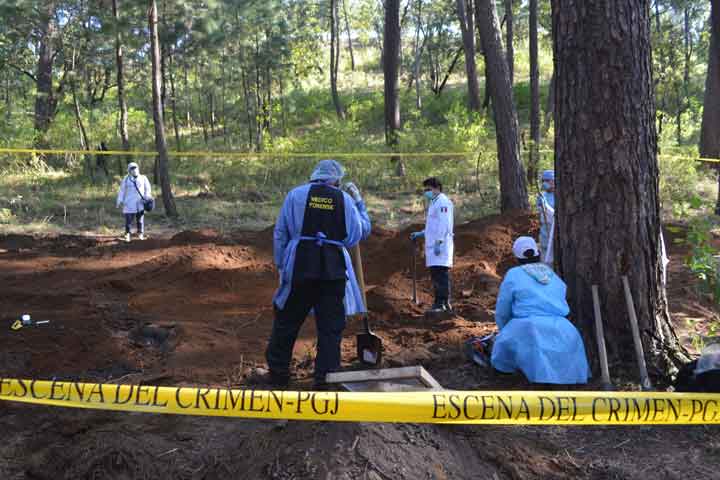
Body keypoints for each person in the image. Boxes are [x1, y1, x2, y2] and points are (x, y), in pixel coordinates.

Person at [260, 159, 371, 389]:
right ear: (336, 180)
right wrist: (360, 203)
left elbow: (280, 232)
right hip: (333, 270)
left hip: (300, 266)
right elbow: (356, 234)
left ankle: (278, 375)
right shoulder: (344, 199)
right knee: (330, 327)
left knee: (287, 320)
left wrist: (281, 264)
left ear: (314, 176)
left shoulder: (295, 195)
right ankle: (325, 380)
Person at [491, 236, 589, 384]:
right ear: (538, 254)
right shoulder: (553, 275)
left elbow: (503, 309)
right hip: (563, 328)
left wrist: (504, 329)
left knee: (503, 346)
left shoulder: (514, 274)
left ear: (517, 257)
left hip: (528, 326)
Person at [410, 177, 454, 314]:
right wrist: (422, 233)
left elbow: (444, 224)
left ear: (437, 188)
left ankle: (441, 303)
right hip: (434, 244)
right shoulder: (434, 202)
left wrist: (439, 242)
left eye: (428, 189)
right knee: (436, 274)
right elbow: (433, 225)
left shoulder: (442, 202)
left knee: (440, 274)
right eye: (425, 190)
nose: (426, 192)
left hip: (440, 245)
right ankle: (442, 303)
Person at [116, 162, 152, 242]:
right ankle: (127, 234)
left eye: (135, 168)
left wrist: (147, 197)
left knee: (140, 219)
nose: (134, 170)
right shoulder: (126, 179)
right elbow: (122, 190)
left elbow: (148, 189)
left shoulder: (143, 178)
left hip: (140, 202)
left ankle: (140, 234)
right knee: (128, 220)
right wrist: (119, 200)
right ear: (129, 170)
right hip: (129, 202)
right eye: (132, 168)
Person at [537, 170, 555, 264]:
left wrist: (546, 207)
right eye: (543, 181)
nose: (544, 183)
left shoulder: (560, 195)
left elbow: (555, 216)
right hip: (544, 232)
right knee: (545, 260)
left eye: (547, 180)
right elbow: (540, 214)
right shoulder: (543, 196)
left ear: (553, 181)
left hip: (554, 230)